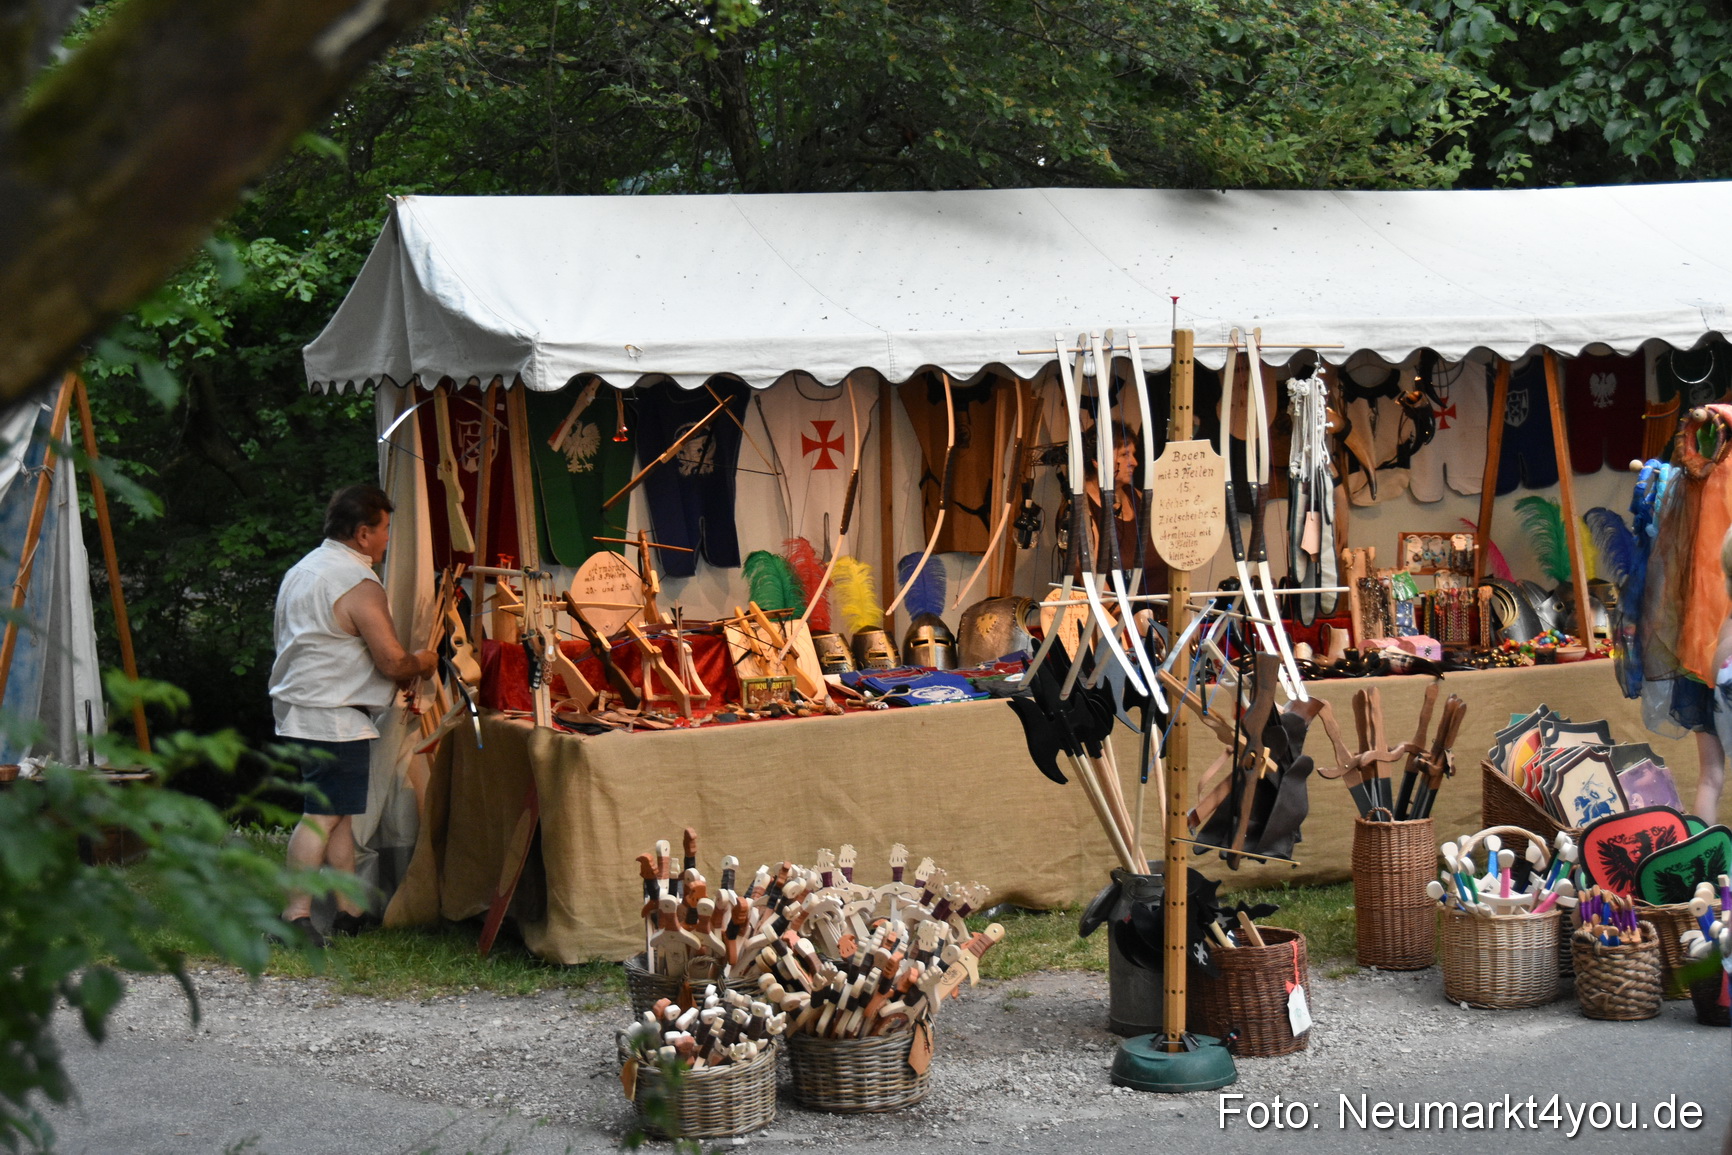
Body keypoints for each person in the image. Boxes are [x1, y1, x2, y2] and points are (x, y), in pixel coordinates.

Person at [268, 485, 435, 946]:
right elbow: (392, 662)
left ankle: (350, 911)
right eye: (383, 531)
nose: (386, 540)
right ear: (363, 534)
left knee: (337, 814)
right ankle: (294, 916)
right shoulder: (356, 582)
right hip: (332, 713)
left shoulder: (303, 570)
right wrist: (424, 661)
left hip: (303, 707)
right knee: (321, 814)